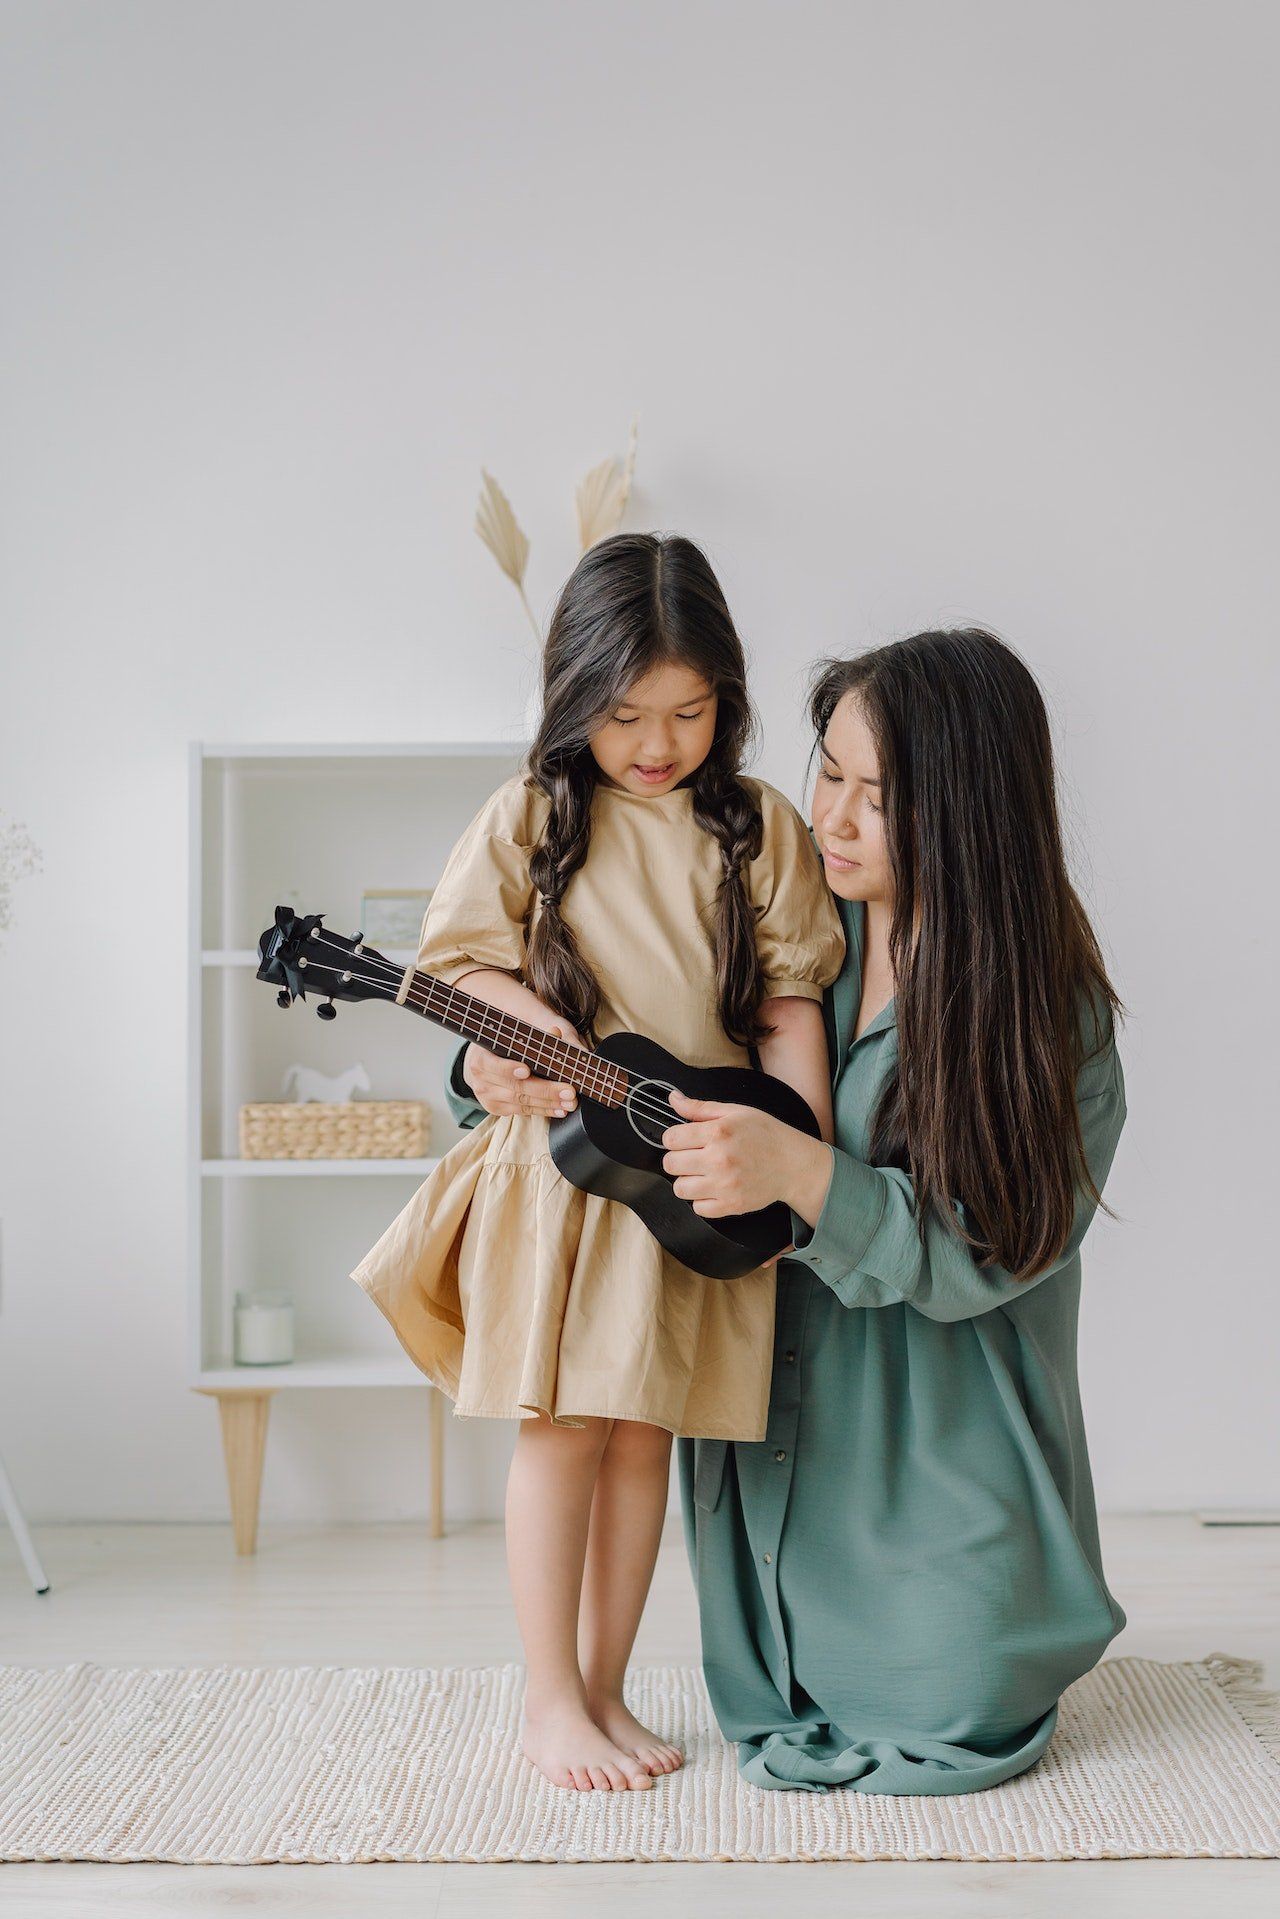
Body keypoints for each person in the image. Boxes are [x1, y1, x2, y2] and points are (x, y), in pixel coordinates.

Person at [450, 625, 1129, 1797]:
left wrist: (803, 1172)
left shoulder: (1042, 1007)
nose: (835, 817)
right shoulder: (786, 913)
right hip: (762, 1459)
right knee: (769, 1703)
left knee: (947, 1707)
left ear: (972, 809)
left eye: (883, 795)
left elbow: (991, 1250)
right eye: (830, 771)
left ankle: (966, 1609)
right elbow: (622, 1027)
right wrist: (478, 1068)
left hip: (933, 1472)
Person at [352, 532, 844, 1794]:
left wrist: (796, 1147)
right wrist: (512, 1038)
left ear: (725, 701)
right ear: (573, 696)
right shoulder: (530, 815)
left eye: (688, 711)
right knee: (564, 1426)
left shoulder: (756, 827)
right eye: (624, 714)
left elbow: (789, 997)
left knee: (645, 1438)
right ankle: (547, 1699)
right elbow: (456, 961)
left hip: (700, 1171)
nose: (655, 743)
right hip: (564, 1181)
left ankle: (610, 1687)